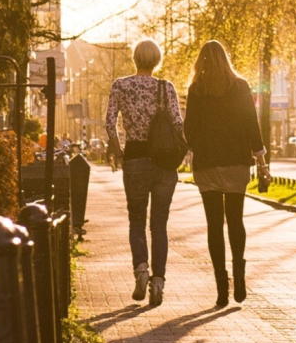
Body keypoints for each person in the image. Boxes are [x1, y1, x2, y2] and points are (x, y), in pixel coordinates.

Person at [183, 40, 267, 309]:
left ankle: (222, 287)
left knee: (214, 225)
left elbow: (190, 130)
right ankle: (240, 276)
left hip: (207, 164)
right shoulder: (240, 86)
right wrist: (260, 159)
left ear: (201, 61)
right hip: (236, 163)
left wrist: (197, 148)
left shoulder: (196, 90)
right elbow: (251, 125)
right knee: (236, 220)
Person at [105, 39, 185, 308]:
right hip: (164, 162)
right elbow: (177, 124)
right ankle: (158, 282)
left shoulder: (120, 85)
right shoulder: (166, 87)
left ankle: (141, 269)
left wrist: (118, 153)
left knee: (137, 219)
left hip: (135, 159)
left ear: (135, 58)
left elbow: (109, 123)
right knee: (159, 223)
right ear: (157, 60)